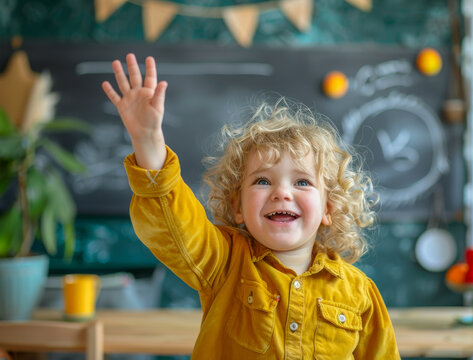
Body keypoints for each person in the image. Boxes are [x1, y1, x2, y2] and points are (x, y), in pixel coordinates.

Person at [102, 53, 400, 359]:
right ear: (238, 206)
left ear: (329, 208)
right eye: (262, 181)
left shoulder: (359, 292)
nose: (281, 193)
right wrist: (147, 140)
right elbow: (172, 225)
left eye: (302, 182)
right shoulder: (223, 264)